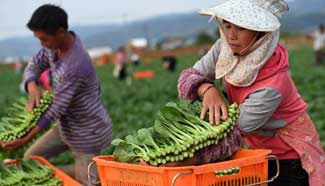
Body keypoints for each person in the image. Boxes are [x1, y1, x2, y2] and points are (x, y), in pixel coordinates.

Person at [177, 0, 325, 185]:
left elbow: (229, 136)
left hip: (289, 159)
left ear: (261, 33)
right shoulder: (225, 47)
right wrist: (207, 89)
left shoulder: (272, 86)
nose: (231, 35)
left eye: (242, 28)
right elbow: (187, 77)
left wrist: (178, 162)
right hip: (257, 151)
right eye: (227, 25)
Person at [0, 4, 112, 185]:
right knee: (31, 159)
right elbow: (35, 63)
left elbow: (56, 108)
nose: (42, 44)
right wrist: (32, 85)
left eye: (44, 39)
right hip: (66, 126)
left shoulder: (76, 64)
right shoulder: (54, 47)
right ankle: (79, 171)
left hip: (88, 131)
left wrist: (26, 138)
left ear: (60, 32)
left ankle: (91, 173)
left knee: (88, 182)